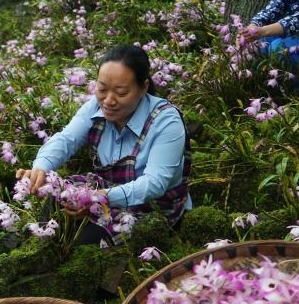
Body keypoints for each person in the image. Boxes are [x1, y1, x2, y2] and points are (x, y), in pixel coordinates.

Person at [16, 44, 191, 245]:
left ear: (143, 87)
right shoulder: (95, 107)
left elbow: (154, 184)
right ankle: (34, 248)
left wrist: (97, 198)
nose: (108, 101)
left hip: (153, 204)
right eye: (102, 89)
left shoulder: (166, 120)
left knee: (82, 241)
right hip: (106, 192)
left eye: (121, 92)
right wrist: (41, 167)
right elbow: (66, 139)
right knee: (56, 204)